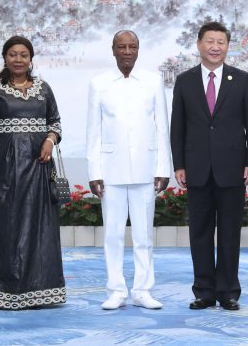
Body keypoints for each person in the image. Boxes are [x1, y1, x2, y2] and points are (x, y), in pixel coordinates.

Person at [170, 21, 248, 311]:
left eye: (220, 42)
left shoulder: (243, 80)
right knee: (199, 232)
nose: (215, 47)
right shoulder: (184, 81)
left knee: (230, 232)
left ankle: (229, 291)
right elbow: (178, 128)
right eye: (209, 41)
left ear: (227, 46)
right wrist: (179, 164)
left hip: (233, 168)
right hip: (196, 168)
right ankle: (204, 291)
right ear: (199, 44)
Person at [0, 35, 65, 310]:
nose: (19, 59)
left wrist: (49, 140)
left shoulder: (44, 89)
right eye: (13, 54)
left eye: (24, 54)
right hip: (6, 172)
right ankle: (7, 291)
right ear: (5, 57)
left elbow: (56, 123)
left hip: (40, 170)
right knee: (7, 227)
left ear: (31, 59)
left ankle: (41, 290)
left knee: (40, 227)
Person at [86, 30, 171, 310]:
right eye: (121, 47)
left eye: (132, 46)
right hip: (110, 172)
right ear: (112, 50)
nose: (126, 51)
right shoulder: (99, 84)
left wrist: (163, 167)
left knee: (144, 235)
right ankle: (116, 290)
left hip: (146, 171)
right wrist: (93, 172)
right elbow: (93, 132)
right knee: (112, 234)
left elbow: (162, 128)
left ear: (138, 49)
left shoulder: (153, 81)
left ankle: (143, 290)